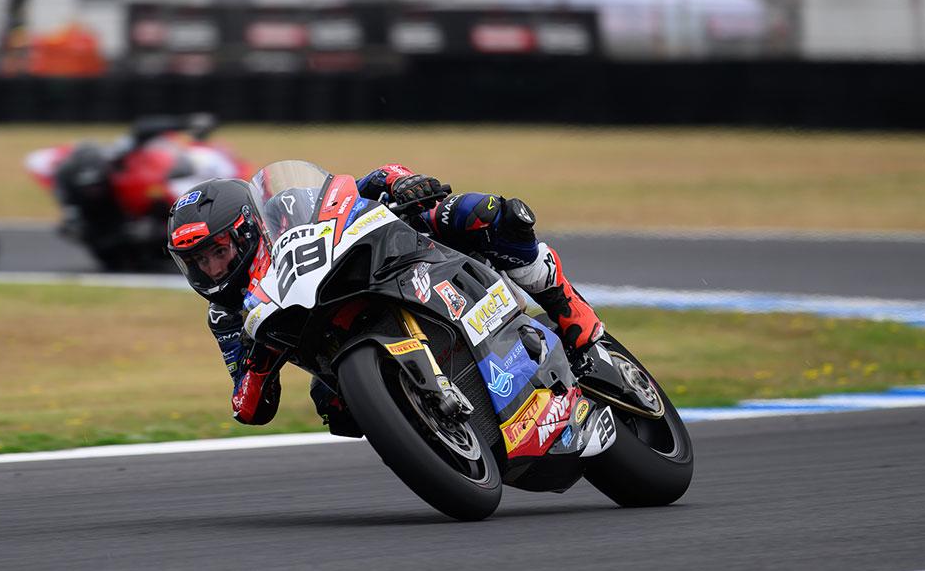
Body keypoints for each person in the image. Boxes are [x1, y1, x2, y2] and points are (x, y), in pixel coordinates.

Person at [166, 166, 605, 433]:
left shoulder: (282, 207)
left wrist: (404, 183)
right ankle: (430, 432)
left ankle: (568, 308)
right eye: (198, 263)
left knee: (486, 213)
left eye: (217, 253)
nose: (212, 270)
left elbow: (360, 185)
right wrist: (259, 364)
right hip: (340, 345)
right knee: (335, 406)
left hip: (385, 261)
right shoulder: (227, 316)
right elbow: (247, 405)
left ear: (246, 229)